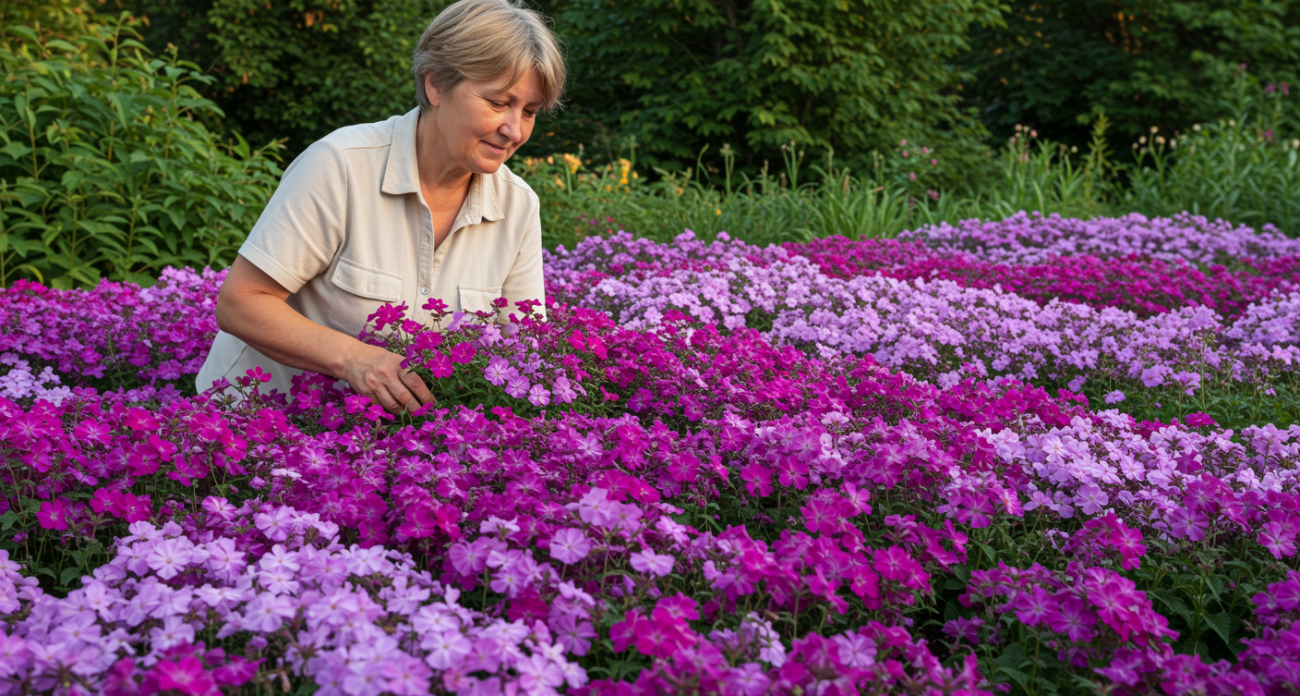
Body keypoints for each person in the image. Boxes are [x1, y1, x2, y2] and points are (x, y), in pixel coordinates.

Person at [195, 0, 565, 415]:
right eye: (498, 103)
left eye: (529, 112)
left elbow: (521, 347)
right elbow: (241, 303)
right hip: (252, 429)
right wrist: (353, 358)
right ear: (436, 85)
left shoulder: (518, 207)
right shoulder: (341, 165)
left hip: (380, 449)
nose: (513, 130)